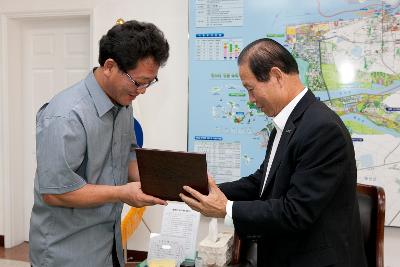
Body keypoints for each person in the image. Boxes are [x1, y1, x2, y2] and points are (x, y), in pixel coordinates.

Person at [180, 38, 367, 267]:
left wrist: (226, 208)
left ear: (277, 76)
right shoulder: (288, 122)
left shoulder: (322, 128)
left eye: (251, 89)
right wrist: (207, 190)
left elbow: (295, 211)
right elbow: (264, 181)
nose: (251, 100)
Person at [29, 20, 169, 267]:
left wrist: (169, 180)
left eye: (150, 82)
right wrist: (123, 193)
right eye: (138, 82)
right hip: (67, 252)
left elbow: (128, 157)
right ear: (109, 67)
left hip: (109, 245)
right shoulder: (66, 115)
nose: (143, 91)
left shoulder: (123, 102)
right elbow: (54, 192)